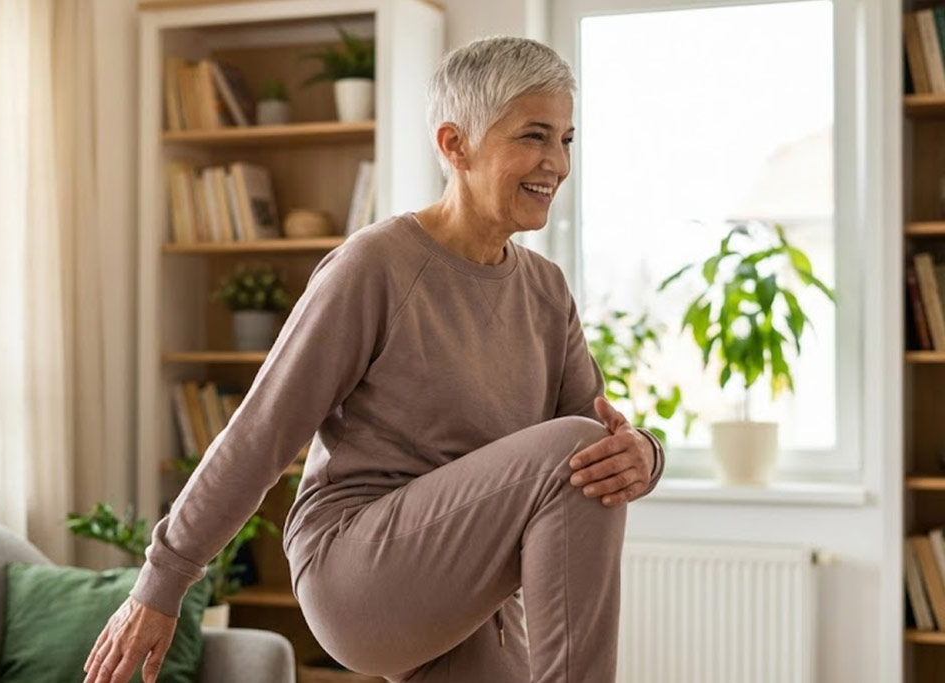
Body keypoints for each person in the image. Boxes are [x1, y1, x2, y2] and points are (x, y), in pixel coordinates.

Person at [82, 35, 665, 683]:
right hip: (355, 568)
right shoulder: (376, 265)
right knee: (577, 452)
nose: (555, 161)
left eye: (565, 138)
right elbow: (261, 431)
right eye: (533, 135)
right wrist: (161, 585)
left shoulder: (546, 290)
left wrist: (643, 451)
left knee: (590, 454)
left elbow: (597, 450)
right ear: (455, 144)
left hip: (467, 597)